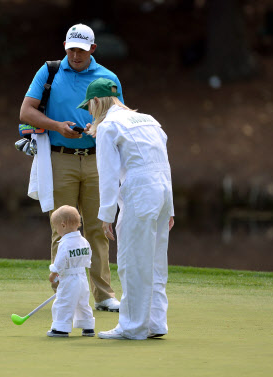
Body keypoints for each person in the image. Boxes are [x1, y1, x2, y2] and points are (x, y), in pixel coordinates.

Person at [20, 23, 122, 312]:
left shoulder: (108, 77)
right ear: (65, 46)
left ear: (92, 49)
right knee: (62, 227)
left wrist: (97, 126)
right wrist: (56, 127)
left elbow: (118, 118)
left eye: (81, 49)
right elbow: (26, 111)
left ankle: (103, 296)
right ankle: (63, 293)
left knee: (98, 228)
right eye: (71, 49)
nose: (75, 55)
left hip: (96, 159)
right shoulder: (50, 71)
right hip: (59, 157)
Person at [77, 78, 174, 340]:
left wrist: (106, 215)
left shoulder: (109, 126)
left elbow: (107, 175)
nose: (89, 111)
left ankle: (132, 326)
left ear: (96, 101)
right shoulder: (149, 120)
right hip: (162, 191)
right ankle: (155, 323)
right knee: (154, 261)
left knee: (132, 262)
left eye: (89, 106)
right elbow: (163, 162)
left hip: (139, 193)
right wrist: (171, 207)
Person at [47, 205, 95, 338]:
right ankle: (88, 327)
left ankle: (61, 328)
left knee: (63, 302)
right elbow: (88, 258)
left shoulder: (65, 243)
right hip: (82, 277)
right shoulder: (84, 241)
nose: (56, 230)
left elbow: (60, 260)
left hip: (69, 279)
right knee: (82, 303)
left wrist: (54, 273)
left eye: (56, 227)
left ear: (62, 225)